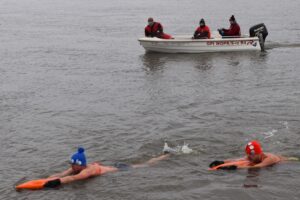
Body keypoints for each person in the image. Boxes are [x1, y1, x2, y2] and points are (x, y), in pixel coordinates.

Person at [43, 147, 170, 188]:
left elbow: (72, 179)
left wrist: (54, 183)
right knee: (143, 164)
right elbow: (61, 174)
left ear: (80, 164)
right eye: (71, 164)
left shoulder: (87, 171)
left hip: (121, 169)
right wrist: (44, 180)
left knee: (145, 165)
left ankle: (165, 155)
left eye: (73, 164)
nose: (71, 166)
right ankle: (164, 154)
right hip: (113, 166)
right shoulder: (75, 168)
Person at [209, 140, 294, 170]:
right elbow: (237, 160)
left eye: (251, 155)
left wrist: (235, 168)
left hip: (284, 162)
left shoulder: (269, 159)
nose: (249, 156)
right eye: (248, 154)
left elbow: (257, 167)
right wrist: (221, 162)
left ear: (258, 153)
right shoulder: (252, 156)